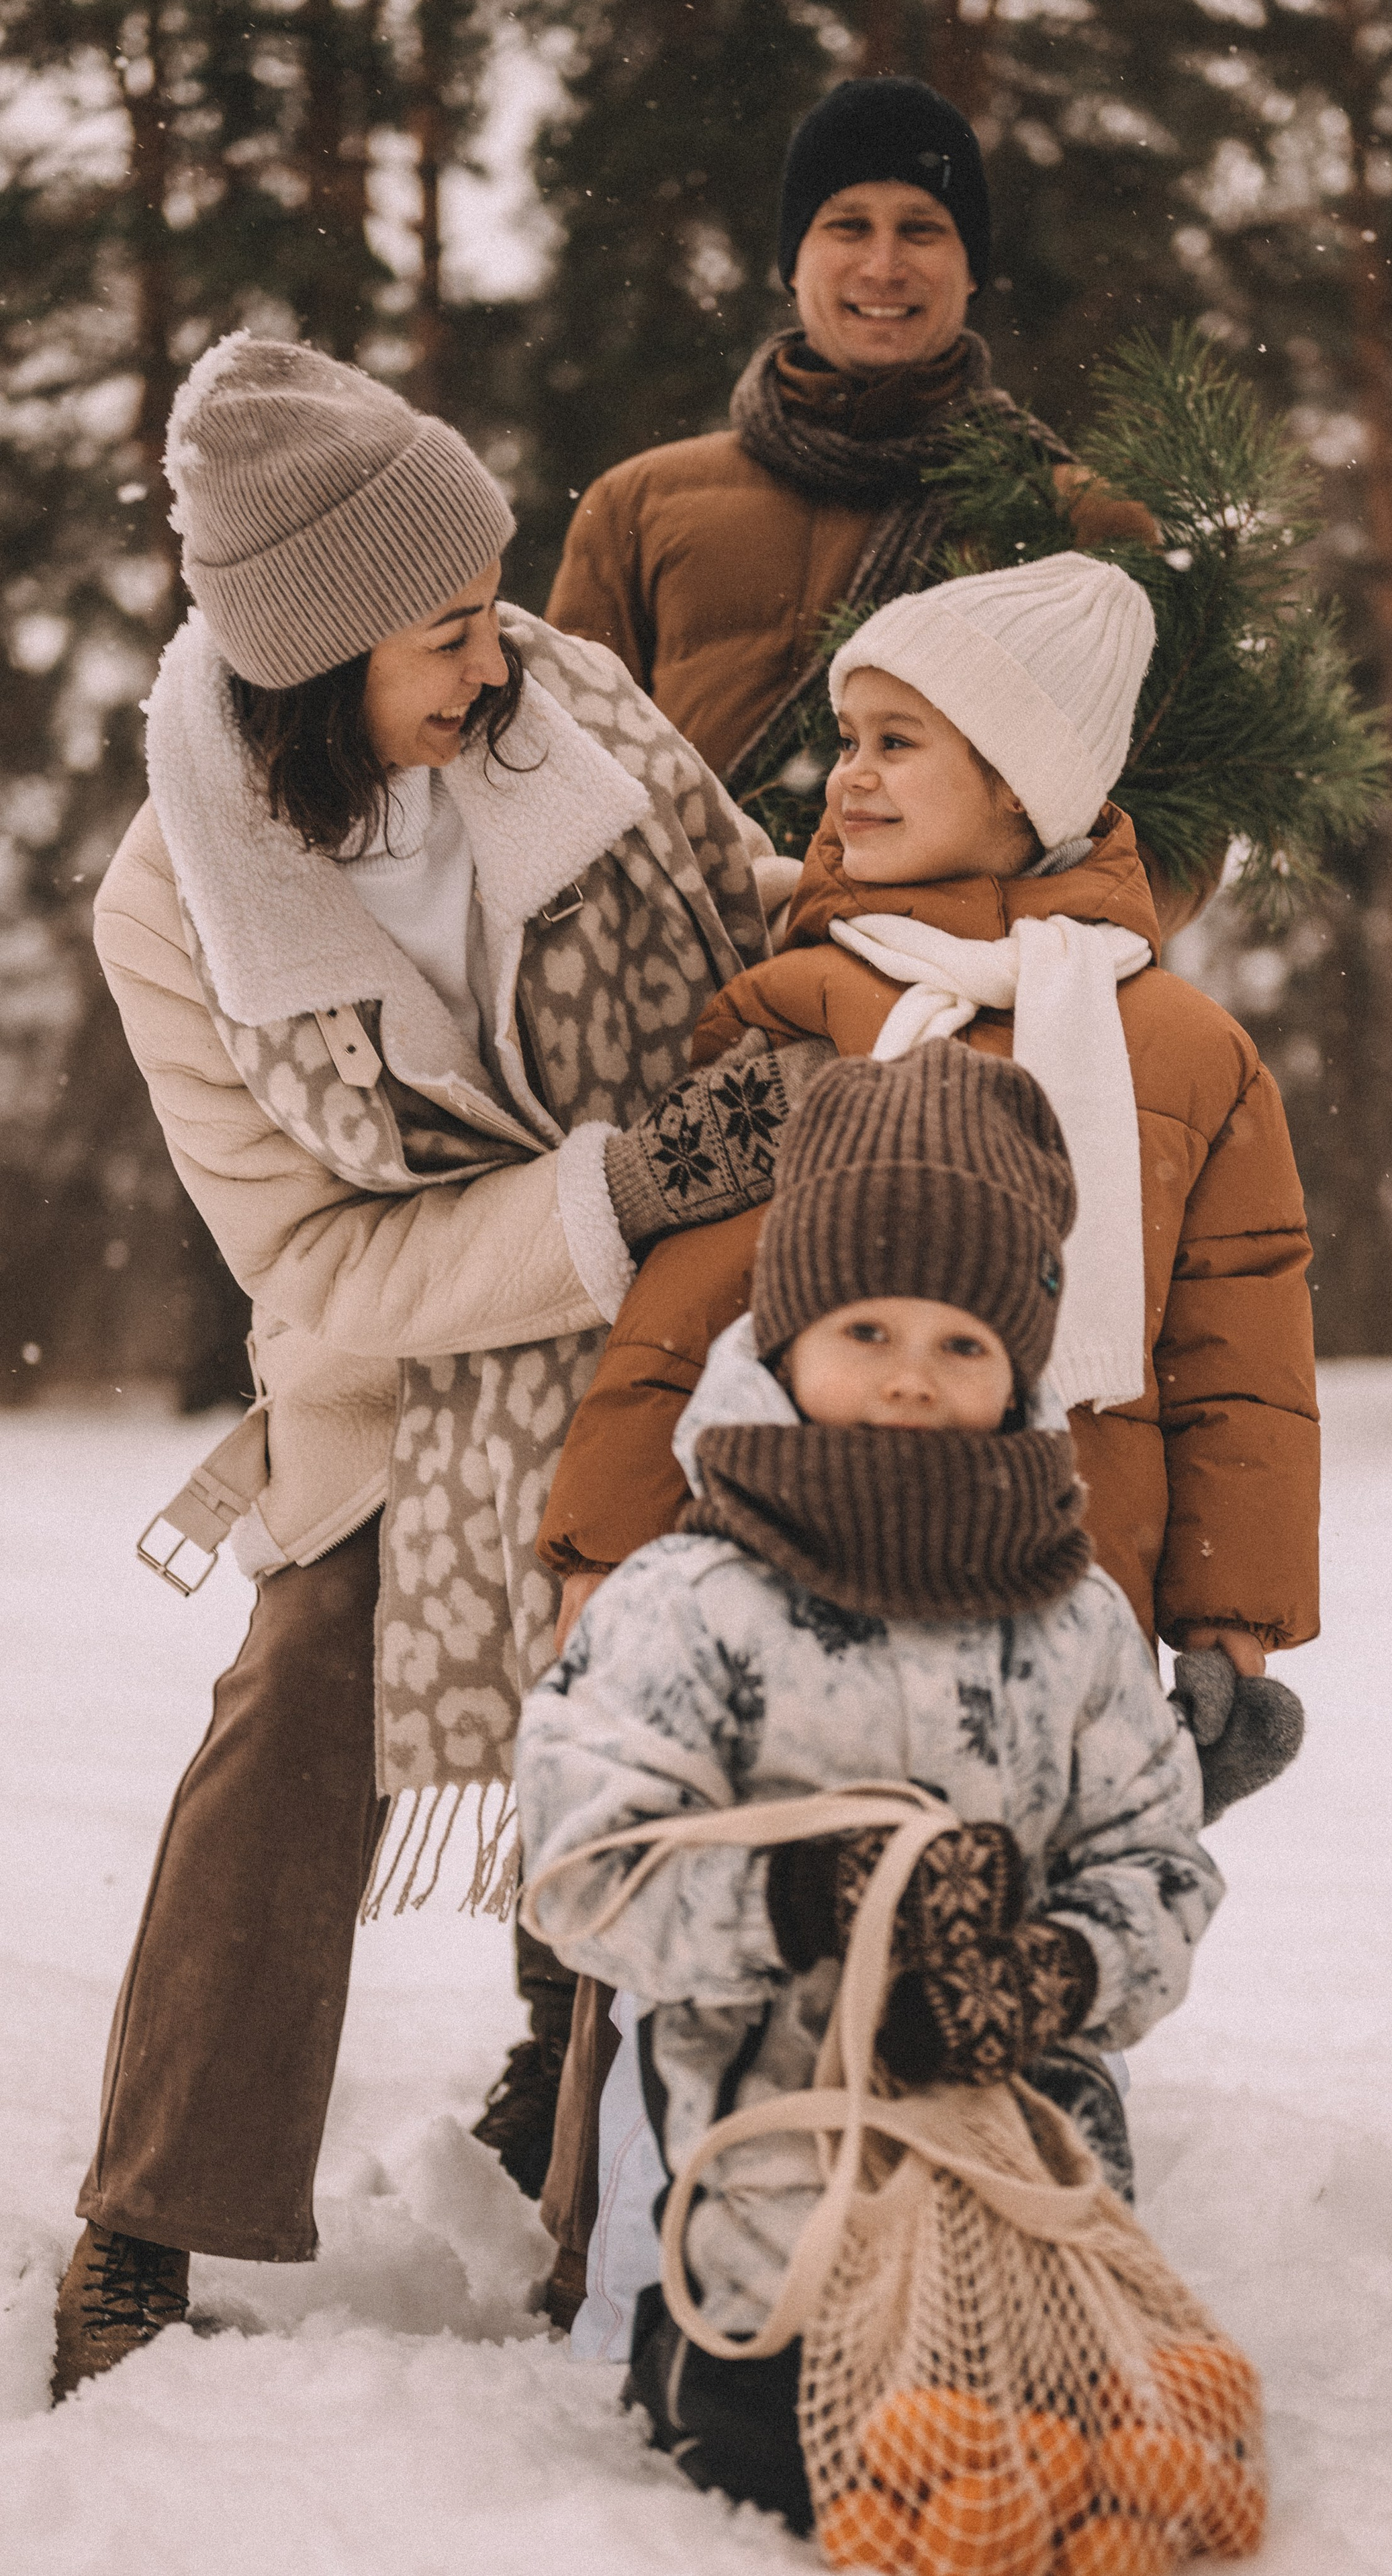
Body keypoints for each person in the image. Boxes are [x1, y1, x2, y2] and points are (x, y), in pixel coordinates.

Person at [52, 332, 827, 2396]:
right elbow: (306, 1260)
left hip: (679, 1327)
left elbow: (737, 896)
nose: (496, 667)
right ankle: (144, 2215)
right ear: (311, 670)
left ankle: (605, 2164)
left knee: (671, 1694)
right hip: (400, 1384)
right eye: (445, 637)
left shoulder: (553, 703)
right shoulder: (171, 903)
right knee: (305, 1694)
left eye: (490, 614)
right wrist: (611, 1188)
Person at [515, 1043, 1224, 2526]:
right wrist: (803, 1895)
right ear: (782, 1338)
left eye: (964, 1344)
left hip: (1020, 2142)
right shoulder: (689, 1599)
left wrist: (1052, 1969)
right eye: (867, 1325)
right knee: (811, 2443)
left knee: (1097, 2435)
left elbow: (1152, 1856)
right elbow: (585, 1871)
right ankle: (689, 2367)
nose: (912, 1371)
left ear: (1021, 1367)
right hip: (769, 2142)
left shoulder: (1071, 1615)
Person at [541, 551, 1320, 1679]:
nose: (850, 775)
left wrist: (1230, 1624)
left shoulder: (1194, 1056)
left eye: (896, 742)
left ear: (1018, 783)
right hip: (788, 1593)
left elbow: (1240, 1372)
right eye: (848, 739)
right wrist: (605, 1550)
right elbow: (691, 1300)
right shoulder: (807, 999)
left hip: (1064, 1611)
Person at [542, 76, 1180, 910]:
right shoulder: (638, 504)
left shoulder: (1082, 520)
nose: (884, 264)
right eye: (848, 226)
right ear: (792, 261)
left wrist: (1001, 959)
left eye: (922, 229)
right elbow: (552, 771)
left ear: (972, 267)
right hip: (688, 985)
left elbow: (1178, 812)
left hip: (964, 1007)